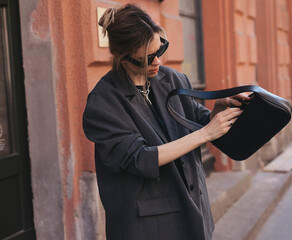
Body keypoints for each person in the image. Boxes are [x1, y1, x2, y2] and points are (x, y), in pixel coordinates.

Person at [82, 4, 249, 240]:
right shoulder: (103, 103)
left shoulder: (173, 79)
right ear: (123, 58)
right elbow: (140, 159)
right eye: (147, 59)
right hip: (149, 226)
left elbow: (194, 121)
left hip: (194, 211)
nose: (158, 62)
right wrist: (205, 134)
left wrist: (217, 112)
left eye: (160, 50)